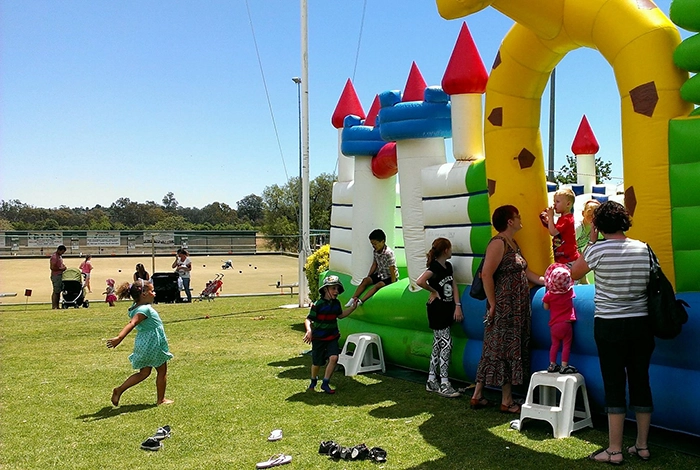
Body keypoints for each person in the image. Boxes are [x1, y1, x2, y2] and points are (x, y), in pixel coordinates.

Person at [571, 201, 654, 464]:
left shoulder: (597, 250)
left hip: (609, 324)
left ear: (598, 225)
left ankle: (614, 450)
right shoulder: (643, 248)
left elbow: (574, 272)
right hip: (641, 323)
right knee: (641, 380)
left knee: (614, 383)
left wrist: (590, 243)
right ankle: (642, 445)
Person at [470, 205, 544, 414]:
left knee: (494, 348)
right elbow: (486, 275)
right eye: (517, 216)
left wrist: (550, 280)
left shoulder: (513, 243)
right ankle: (507, 400)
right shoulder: (498, 243)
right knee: (505, 349)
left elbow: (528, 273)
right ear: (509, 221)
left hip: (515, 306)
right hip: (504, 306)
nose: (521, 219)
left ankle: (477, 395)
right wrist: (493, 304)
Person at [106, 280, 174, 406]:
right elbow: (132, 323)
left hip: (143, 343)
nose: (154, 293)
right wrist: (119, 338)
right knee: (162, 371)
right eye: (151, 291)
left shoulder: (135, 307)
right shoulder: (144, 309)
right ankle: (161, 400)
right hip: (153, 343)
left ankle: (119, 390)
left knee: (144, 372)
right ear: (143, 293)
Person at [416, 237, 463, 398]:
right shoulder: (435, 267)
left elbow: (453, 284)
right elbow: (420, 281)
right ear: (445, 250)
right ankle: (444, 382)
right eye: (450, 249)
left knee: (438, 343)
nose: (451, 251)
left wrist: (457, 305)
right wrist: (434, 291)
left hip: (447, 308)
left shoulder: (447, 266)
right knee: (447, 344)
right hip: (437, 310)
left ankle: (431, 379)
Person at [303, 275, 358, 394]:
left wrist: (353, 308)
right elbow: (308, 319)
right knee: (317, 363)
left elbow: (340, 315)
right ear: (325, 289)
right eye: (333, 288)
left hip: (332, 336)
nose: (336, 291)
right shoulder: (318, 304)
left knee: (334, 358)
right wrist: (309, 331)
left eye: (337, 289)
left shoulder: (336, 304)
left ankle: (325, 383)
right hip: (319, 337)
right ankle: (313, 381)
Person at [345, 229, 399, 307]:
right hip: (380, 274)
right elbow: (375, 264)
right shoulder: (375, 251)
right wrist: (369, 276)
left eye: (375, 244)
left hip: (389, 276)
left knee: (378, 285)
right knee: (365, 280)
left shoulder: (388, 253)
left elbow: (392, 269)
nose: (374, 246)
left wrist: (393, 283)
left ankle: (361, 301)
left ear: (382, 242)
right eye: (372, 244)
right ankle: (353, 298)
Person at [542, 263, 577, 374]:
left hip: (554, 325)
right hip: (566, 324)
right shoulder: (569, 292)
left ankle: (552, 364)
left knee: (554, 345)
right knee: (566, 345)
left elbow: (546, 307)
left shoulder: (549, 295)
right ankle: (564, 366)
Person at [541, 188, 580, 265]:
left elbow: (553, 232)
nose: (554, 204)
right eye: (554, 201)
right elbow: (557, 230)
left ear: (568, 204)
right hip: (563, 258)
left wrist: (550, 216)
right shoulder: (563, 218)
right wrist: (548, 221)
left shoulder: (566, 219)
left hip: (569, 259)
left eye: (557, 202)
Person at [575, 199, 601, 285]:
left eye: (595, 213)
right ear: (583, 213)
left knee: (583, 276)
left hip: (576, 252)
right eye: (589, 211)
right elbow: (567, 243)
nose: (592, 215)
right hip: (568, 254)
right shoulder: (578, 227)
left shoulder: (593, 228)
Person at [50, 245, 67, 309]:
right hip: (56, 276)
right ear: (59, 250)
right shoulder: (54, 257)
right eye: (62, 252)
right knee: (56, 291)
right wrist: (61, 269)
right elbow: (52, 267)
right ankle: (54, 306)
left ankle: (57, 306)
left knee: (58, 291)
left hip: (60, 275)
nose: (63, 253)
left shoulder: (59, 257)